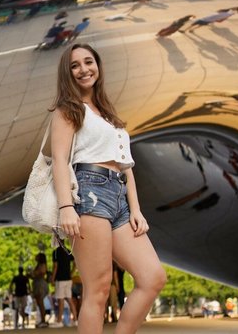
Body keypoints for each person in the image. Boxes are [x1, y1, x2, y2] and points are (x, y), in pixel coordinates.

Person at [49, 44, 166, 333]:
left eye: (88, 62)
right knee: (99, 289)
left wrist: (136, 209)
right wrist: (66, 206)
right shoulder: (68, 110)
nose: (83, 69)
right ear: (67, 73)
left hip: (119, 197)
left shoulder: (107, 114)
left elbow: (126, 166)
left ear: (98, 66)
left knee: (152, 277)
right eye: (75, 65)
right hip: (89, 193)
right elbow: (59, 160)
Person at [50, 242, 78, 327]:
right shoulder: (68, 251)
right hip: (68, 279)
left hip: (60, 279)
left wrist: (52, 278)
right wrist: (71, 273)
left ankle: (59, 321)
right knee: (69, 299)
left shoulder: (56, 252)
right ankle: (75, 320)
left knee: (60, 300)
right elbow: (75, 263)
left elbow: (55, 266)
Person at [31, 253, 49, 328]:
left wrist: (34, 273)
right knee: (39, 303)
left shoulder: (42, 265)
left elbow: (42, 273)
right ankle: (42, 320)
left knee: (41, 303)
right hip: (37, 284)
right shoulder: (39, 265)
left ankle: (43, 320)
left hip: (40, 284)